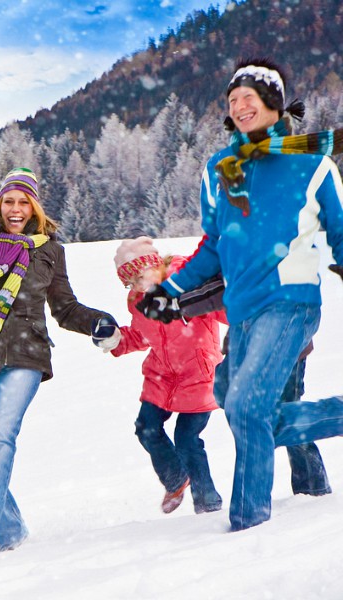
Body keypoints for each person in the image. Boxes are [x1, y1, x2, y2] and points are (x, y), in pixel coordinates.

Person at [136, 57, 343, 531]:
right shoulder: (220, 170)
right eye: (233, 99)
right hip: (243, 310)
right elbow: (213, 246)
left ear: (273, 103)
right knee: (237, 405)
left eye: (250, 96)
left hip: (291, 303)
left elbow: (342, 232)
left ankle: (248, 524)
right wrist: (169, 291)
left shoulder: (312, 162)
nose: (241, 105)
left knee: (248, 407)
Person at [0, 167, 119, 556]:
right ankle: (11, 532)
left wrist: (97, 321)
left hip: (26, 354)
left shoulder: (49, 250)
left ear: (34, 206)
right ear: (0, 204)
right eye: (9, 201)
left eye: (23, 201)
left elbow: (65, 308)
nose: (15, 209)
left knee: (0, 435)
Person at [179, 275, 332, 497]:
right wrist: (176, 301)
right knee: (235, 401)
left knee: (286, 410)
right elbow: (215, 288)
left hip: (288, 348)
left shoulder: (275, 255)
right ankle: (261, 492)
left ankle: (312, 487)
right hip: (245, 350)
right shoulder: (234, 253)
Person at [108, 237, 223, 514]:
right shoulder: (138, 301)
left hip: (199, 374)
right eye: (130, 282)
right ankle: (176, 479)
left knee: (187, 439)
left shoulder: (189, 283)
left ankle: (207, 503)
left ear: (155, 264)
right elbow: (142, 335)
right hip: (162, 376)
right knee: (146, 427)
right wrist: (116, 339)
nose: (136, 286)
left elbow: (227, 308)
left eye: (139, 276)